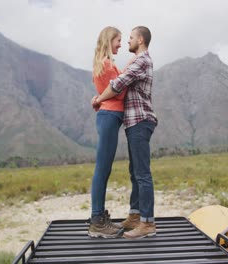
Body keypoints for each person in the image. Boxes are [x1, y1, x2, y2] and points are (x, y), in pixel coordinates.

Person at [92, 26, 157, 239]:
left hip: (139, 120)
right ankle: (136, 215)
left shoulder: (141, 61)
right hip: (132, 121)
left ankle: (146, 223)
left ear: (139, 39)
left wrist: (99, 98)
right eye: (120, 39)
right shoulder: (136, 61)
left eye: (128, 38)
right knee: (135, 171)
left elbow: (119, 83)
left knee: (141, 173)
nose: (125, 42)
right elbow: (123, 76)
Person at [87, 26, 127, 238]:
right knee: (102, 169)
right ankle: (97, 221)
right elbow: (120, 93)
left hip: (108, 116)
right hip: (110, 116)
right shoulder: (107, 64)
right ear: (109, 40)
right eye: (118, 40)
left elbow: (109, 91)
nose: (120, 44)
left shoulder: (102, 64)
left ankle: (99, 217)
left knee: (104, 169)